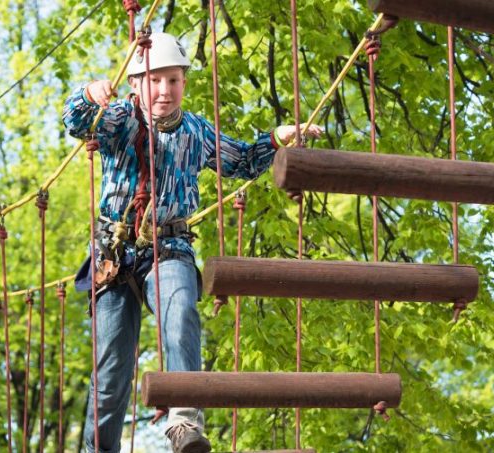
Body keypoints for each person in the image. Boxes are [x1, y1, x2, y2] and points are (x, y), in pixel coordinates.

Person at [63, 32, 322, 453]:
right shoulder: (119, 121)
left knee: (181, 310)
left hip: (170, 248)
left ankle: (184, 423)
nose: (164, 91)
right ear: (135, 85)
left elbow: (239, 160)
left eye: (173, 81)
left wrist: (276, 139)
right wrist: (89, 95)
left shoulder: (196, 131)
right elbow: (77, 121)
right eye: (154, 81)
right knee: (111, 369)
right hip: (115, 254)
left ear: (184, 82)